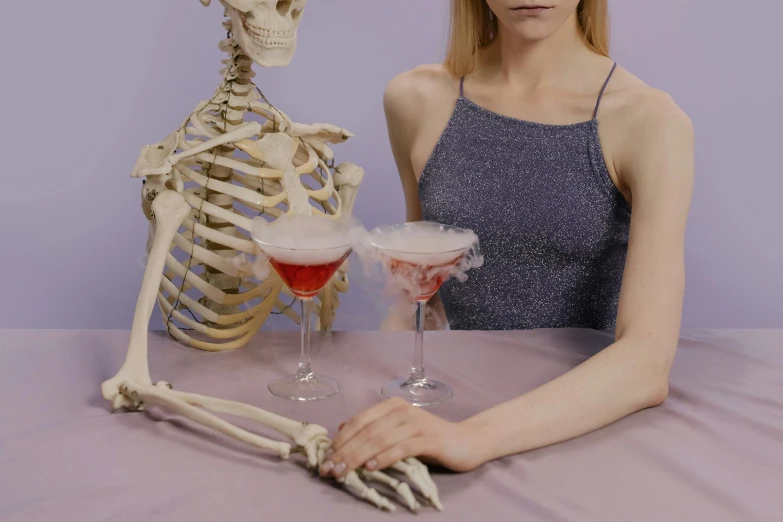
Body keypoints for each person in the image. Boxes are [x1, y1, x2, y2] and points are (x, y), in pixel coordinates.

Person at [320, 0, 694, 478]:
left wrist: (470, 438)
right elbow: (419, 297)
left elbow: (647, 360)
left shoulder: (650, 121)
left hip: (585, 425)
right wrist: (375, 406)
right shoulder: (416, 99)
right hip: (451, 404)